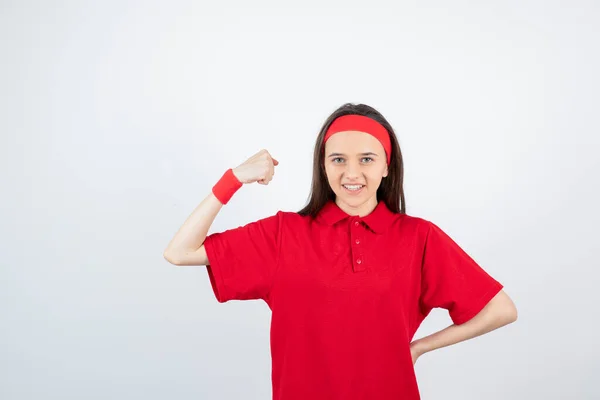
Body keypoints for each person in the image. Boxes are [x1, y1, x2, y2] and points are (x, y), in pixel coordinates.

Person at [163, 103, 518, 400]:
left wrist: (418, 347)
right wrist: (235, 178)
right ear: (323, 165)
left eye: (366, 159)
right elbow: (180, 251)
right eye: (338, 159)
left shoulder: (418, 238)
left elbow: (500, 309)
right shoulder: (285, 234)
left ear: (386, 166)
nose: (352, 172)